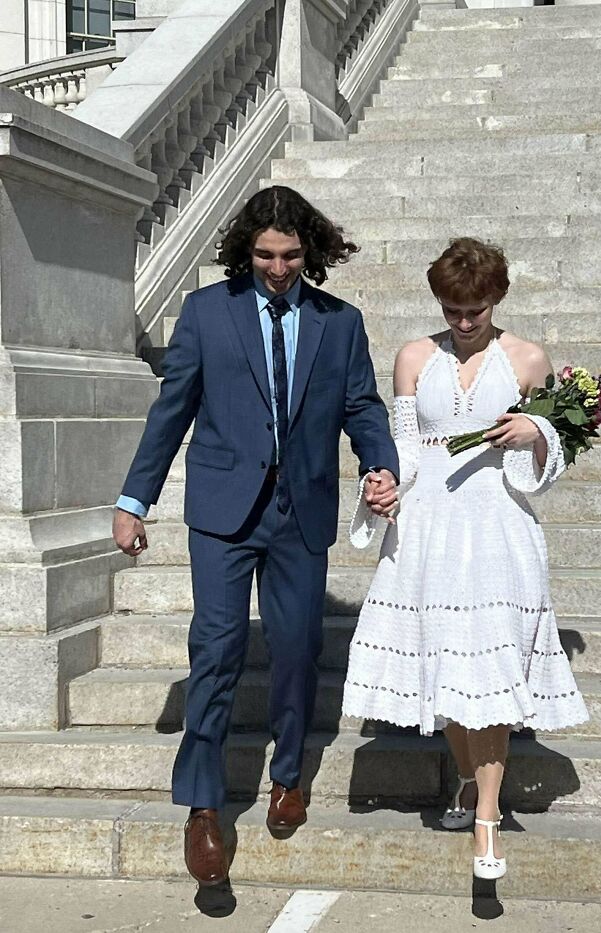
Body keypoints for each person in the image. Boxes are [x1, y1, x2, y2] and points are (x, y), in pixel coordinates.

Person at [112, 186, 399, 887]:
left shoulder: (339, 322)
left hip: (300, 509)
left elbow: (361, 403)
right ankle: (203, 805)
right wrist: (134, 498)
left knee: (299, 646)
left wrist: (380, 461)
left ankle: (290, 772)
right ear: (248, 249)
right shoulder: (208, 313)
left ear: (313, 252)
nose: (276, 267)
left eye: (291, 255)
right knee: (216, 645)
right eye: (265, 254)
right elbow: (171, 407)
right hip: (222, 510)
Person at [344, 237, 589, 880]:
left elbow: (552, 456)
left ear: (496, 298)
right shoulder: (414, 357)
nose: (462, 320)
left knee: (493, 676)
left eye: (474, 308)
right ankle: (466, 779)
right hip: (427, 530)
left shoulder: (530, 359)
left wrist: (538, 432)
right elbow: (404, 445)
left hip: (499, 526)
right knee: (447, 676)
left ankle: (485, 818)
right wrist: (382, 484)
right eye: (452, 307)